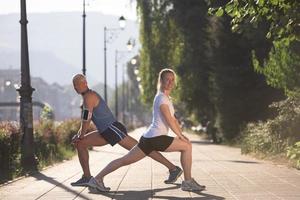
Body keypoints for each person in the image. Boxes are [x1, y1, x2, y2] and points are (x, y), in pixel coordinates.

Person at [88, 69, 206, 192]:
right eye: (167, 79)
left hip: (148, 138)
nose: (170, 82)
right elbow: (170, 120)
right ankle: (188, 181)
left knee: (125, 160)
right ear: (161, 81)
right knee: (187, 146)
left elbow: (174, 120)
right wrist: (180, 136)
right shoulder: (161, 98)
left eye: (172, 80)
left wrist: (180, 134)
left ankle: (96, 179)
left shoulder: (165, 98)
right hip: (156, 138)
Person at [70, 74, 182, 190]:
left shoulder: (89, 97)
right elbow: (85, 120)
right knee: (81, 143)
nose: (75, 87)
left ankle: (173, 168)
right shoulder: (86, 98)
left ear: (85, 83)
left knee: (144, 149)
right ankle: (87, 177)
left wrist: (81, 135)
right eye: (74, 85)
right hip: (105, 132)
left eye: (77, 84)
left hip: (113, 129)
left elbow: (86, 119)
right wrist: (79, 135)